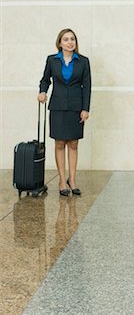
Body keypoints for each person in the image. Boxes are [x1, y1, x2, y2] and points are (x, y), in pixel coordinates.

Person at [38, 28, 91, 197]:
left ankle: (72, 180)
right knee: (60, 143)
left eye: (72, 39)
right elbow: (45, 79)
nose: (70, 42)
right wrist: (43, 91)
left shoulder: (83, 61)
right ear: (59, 43)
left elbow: (87, 86)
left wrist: (85, 108)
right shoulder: (52, 60)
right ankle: (62, 180)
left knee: (74, 144)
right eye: (66, 39)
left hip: (76, 107)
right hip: (58, 106)